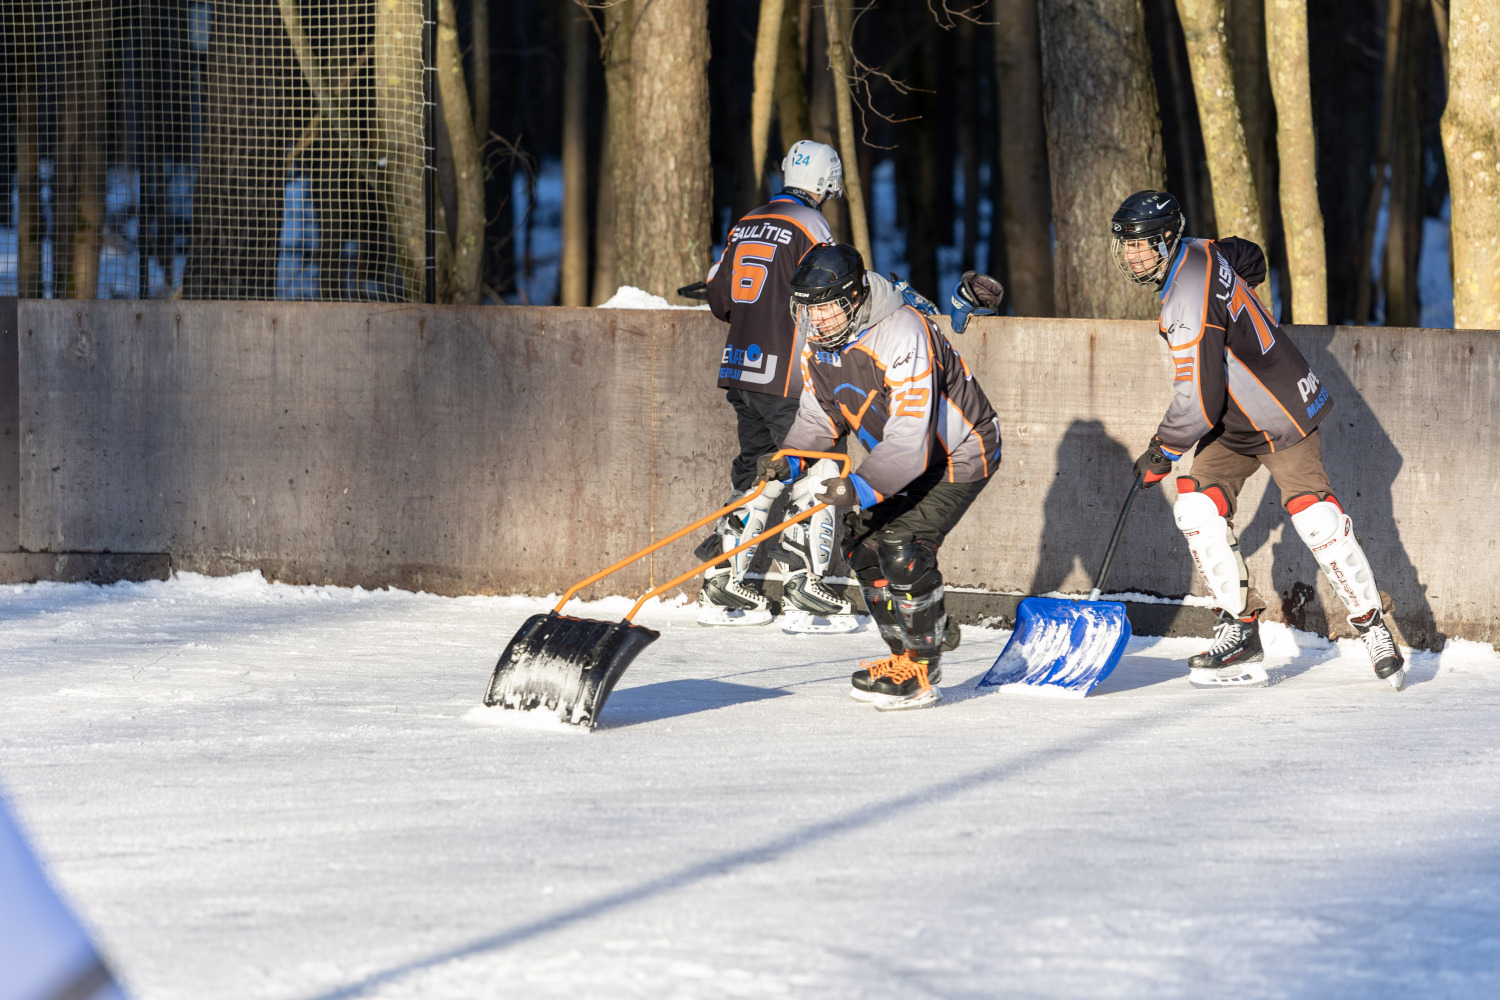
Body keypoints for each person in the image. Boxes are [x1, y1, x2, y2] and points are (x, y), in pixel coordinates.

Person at [1111, 189, 1406, 690]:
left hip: (1281, 411)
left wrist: (1161, 452)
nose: (1133, 256)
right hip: (1233, 424)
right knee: (1195, 508)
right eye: (1127, 245)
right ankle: (1240, 629)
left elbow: (1197, 400)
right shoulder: (1203, 251)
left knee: (1315, 518)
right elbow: (1251, 256)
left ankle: (1373, 625)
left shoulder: (1186, 301)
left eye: (1143, 244)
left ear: (1168, 238)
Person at [761, 243, 1004, 710]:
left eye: (828, 307)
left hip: (959, 451)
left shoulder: (903, 332)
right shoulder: (821, 339)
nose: (817, 319)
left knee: (901, 547)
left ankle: (924, 668)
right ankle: (907, 651)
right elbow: (819, 414)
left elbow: (911, 435)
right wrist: (790, 459)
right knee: (861, 545)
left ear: (854, 299)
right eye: (809, 309)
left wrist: (858, 487)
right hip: (902, 458)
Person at [696, 140, 856, 632]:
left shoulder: (746, 222)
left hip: (742, 371)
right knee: (821, 466)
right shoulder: (812, 226)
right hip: (788, 376)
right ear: (826, 183)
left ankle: (725, 580)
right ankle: (807, 587)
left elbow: (719, 297)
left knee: (757, 474)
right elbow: (828, 294)